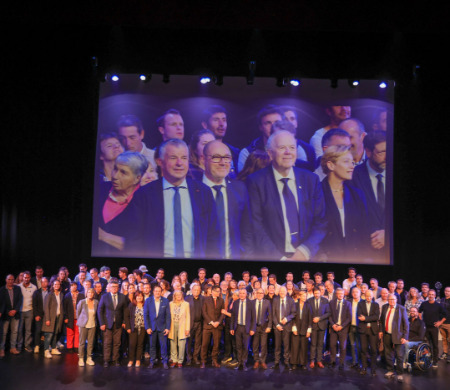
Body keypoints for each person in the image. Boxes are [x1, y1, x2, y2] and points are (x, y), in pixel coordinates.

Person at [129, 138, 220, 258]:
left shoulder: (203, 192)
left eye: (184, 158)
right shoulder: (144, 195)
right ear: (160, 162)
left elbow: (213, 236)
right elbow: (135, 240)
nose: (179, 163)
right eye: (173, 158)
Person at [247, 130, 327, 260]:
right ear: (270, 153)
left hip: (307, 256)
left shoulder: (311, 179)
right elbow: (256, 226)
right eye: (282, 148)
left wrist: (304, 251)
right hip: (273, 258)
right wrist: (280, 259)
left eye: (292, 147)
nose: (288, 152)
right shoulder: (256, 182)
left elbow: (321, 222)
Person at [201, 140, 254, 259]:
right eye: (216, 157)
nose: (222, 162)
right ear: (203, 159)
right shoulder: (194, 189)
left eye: (227, 157)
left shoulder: (240, 189)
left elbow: (247, 232)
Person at [318, 145, 371, 262]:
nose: (352, 166)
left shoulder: (357, 195)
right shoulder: (316, 194)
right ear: (331, 165)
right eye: (346, 162)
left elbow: (365, 231)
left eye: (352, 162)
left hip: (354, 260)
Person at [93, 151, 148, 255]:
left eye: (123, 172)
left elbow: (140, 245)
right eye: (115, 169)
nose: (115, 176)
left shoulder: (145, 202)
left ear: (137, 178)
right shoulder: (99, 189)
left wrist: (103, 236)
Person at [351, 131, 387, 256]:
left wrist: (388, 234)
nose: (387, 157)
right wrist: (374, 237)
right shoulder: (353, 177)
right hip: (364, 249)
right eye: (381, 152)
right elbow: (352, 217)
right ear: (368, 152)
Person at [238, 105, 283, 172]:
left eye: (277, 122)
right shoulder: (247, 153)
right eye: (268, 123)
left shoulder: (294, 149)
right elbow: (243, 179)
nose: (273, 127)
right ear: (261, 127)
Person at [201, 105, 240, 177]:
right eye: (216, 120)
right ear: (205, 125)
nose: (221, 124)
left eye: (224, 120)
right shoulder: (200, 150)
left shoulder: (234, 152)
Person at [379, 294, 409, 383]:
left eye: (393, 299)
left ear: (396, 300)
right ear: (387, 300)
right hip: (387, 334)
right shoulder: (384, 307)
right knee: (388, 354)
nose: (392, 301)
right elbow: (381, 321)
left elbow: (406, 324)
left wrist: (405, 337)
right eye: (390, 299)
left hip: (399, 336)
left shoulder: (401, 308)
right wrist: (381, 331)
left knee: (399, 355)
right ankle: (391, 370)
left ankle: (399, 373)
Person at [97, 280, 128, 367]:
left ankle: (115, 359)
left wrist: (124, 321)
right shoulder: (104, 296)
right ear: (109, 288)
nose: (114, 288)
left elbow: (125, 310)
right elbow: (100, 310)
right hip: (107, 324)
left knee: (117, 342)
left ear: (118, 288)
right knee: (107, 342)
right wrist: (102, 323)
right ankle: (106, 360)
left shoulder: (122, 297)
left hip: (118, 324)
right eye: (112, 287)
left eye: (116, 287)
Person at [280, 107, 316, 172]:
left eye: (292, 119)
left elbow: (313, 170)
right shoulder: (274, 146)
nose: (289, 122)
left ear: (296, 123)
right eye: (285, 119)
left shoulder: (307, 148)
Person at [144, 285, 171, 369]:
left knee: (163, 345)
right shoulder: (148, 301)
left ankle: (165, 361)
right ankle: (152, 361)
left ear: (161, 292)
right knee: (152, 345)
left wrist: (167, 328)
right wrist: (147, 327)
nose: (157, 293)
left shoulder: (165, 301)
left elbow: (168, 315)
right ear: (153, 292)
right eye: (156, 291)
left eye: (159, 291)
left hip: (162, 327)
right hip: (152, 327)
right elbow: (146, 315)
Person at [419, 289, 446, 368]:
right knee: (426, 343)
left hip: (433, 328)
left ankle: (435, 361)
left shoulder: (438, 305)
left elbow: (445, 315)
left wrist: (440, 322)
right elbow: (419, 311)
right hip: (425, 327)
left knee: (435, 344)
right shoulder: (424, 304)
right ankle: (427, 358)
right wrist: (421, 320)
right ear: (428, 295)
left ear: (434, 296)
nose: (430, 296)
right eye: (429, 294)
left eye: (432, 294)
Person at [230, 289, 255, 371]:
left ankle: (244, 363)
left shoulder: (250, 303)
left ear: (246, 294)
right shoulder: (236, 303)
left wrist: (252, 328)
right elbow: (233, 316)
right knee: (238, 346)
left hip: (246, 328)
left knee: (245, 346)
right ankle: (239, 363)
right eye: (240, 293)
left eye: (243, 293)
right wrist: (231, 327)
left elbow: (253, 318)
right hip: (237, 327)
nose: (241, 294)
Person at [272, 286, 296, 370]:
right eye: (280, 291)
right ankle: (276, 362)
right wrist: (277, 324)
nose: (282, 293)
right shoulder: (275, 300)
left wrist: (287, 319)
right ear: (279, 292)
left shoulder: (291, 300)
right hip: (277, 326)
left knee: (286, 345)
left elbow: (293, 313)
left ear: (286, 292)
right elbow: (273, 314)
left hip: (287, 326)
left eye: (283, 291)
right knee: (277, 345)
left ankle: (286, 362)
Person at [200, 285, 225, 368]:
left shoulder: (221, 300)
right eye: (217, 291)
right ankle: (203, 360)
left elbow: (223, 313)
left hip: (217, 326)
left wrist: (218, 322)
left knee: (216, 345)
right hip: (208, 325)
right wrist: (211, 322)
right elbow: (204, 312)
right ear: (213, 291)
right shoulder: (205, 299)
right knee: (204, 344)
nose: (219, 293)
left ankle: (214, 360)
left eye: (219, 291)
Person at [357, 289, 380, 376]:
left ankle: (373, 368)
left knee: (373, 350)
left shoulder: (376, 305)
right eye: (367, 296)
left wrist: (366, 318)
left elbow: (376, 317)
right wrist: (370, 317)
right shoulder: (360, 304)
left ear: (372, 296)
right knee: (363, 349)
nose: (368, 297)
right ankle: (364, 367)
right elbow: (359, 315)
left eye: (370, 296)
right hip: (363, 329)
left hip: (373, 330)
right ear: (364, 296)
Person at [328, 287, 352, 370]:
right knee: (332, 345)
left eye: (342, 294)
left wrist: (341, 326)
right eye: (339, 294)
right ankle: (332, 361)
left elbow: (349, 317)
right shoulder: (331, 303)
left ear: (344, 295)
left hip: (343, 328)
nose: (340, 295)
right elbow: (329, 315)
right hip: (334, 327)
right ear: (336, 294)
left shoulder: (348, 303)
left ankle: (341, 363)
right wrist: (333, 325)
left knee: (342, 346)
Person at [0, 274, 23, 357]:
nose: (10, 281)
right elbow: (1, 303)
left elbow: (20, 300)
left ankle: (13, 348)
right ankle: (1, 349)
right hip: (5, 315)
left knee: (14, 332)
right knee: (4, 332)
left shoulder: (17, 288)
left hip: (15, 314)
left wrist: (15, 310)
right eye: (9, 279)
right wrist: (7, 312)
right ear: (6, 280)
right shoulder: (2, 290)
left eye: (12, 279)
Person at [42, 280, 64, 359]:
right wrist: (47, 319)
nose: (57, 285)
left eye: (58, 284)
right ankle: (46, 350)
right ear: (53, 285)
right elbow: (46, 307)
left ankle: (54, 348)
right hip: (50, 318)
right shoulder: (49, 294)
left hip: (58, 317)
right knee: (49, 334)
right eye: (55, 284)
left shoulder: (61, 294)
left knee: (55, 333)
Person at [308, 287, 330, 368]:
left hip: (322, 325)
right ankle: (312, 360)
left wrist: (319, 318)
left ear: (321, 293)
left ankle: (319, 360)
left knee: (320, 344)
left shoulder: (325, 300)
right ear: (313, 293)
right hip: (313, 325)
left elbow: (328, 313)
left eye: (318, 293)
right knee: (313, 344)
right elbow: (308, 313)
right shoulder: (309, 301)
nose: (317, 295)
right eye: (315, 293)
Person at [168, 290, 190, 367]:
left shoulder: (186, 304)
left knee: (182, 344)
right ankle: (174, 360)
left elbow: (188, 317)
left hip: (182, 326)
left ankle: (180, 360)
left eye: (179, 295)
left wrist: (187, 329)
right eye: (176, 295)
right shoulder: (170, 304)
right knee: (173, 342)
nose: (178, 296)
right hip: (172, 325)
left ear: (182, 295)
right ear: (174, 296)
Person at [252, 288, 272, 369]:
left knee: (263, 345)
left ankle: (263, 361)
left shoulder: (267, 302)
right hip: (254, 327)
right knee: (255, 345)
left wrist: (269, 326)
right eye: (258, 293)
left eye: (261, 293)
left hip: (264, 327)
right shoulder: (252, 302)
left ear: (263, 294)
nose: (260, 294)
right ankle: (256, 360)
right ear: (256, 294)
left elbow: (270, 315)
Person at [290, 290, 311, 370]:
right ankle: (294, 363)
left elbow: (310, 318)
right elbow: (292, 317)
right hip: (296, 329)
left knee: (303, 347)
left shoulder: (308, 306)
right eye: (303, 296)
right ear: (299, 296)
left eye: (305, 296)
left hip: (305, 330)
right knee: (295, 347)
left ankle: (303, 363)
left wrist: (309, 330)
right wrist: (294, 327)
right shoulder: (294, 305)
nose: (304, 297)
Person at [77, 288, 98, 366]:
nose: (90, 294)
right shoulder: (82, 302)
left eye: (92, 293)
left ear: (93, 294)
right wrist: (80, 322)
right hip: (83, 325)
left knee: (90, 343)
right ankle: (81, 358)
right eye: (89, 292)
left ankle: (89, 358)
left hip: (92, 325)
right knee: (82, 343)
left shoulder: (96, 302)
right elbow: (78, 313)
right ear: (86, 293)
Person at [124, 290, 146, 367]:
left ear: (143, 297)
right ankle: (131, 360)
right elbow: (126, 316)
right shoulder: (131, 305)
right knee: (132, 344)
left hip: (143, 328)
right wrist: (128, 327)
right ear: (135, 297)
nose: (139, 297)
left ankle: (138, 360)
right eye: (138, 296)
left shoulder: (145, 305)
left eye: (141, 296)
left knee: (140, 344)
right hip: (133, 328)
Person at [17, 271, 37, 353]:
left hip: (29, 310)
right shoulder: (18, 287)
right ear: (23, 278)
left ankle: (27, 345)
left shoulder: (34, 287)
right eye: (25, 277)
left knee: (28, 330)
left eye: (28, 277)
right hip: (20, 311)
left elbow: (35, 300)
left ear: (30, 278)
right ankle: (19, 346)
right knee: (20, 329)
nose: (26, 279)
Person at [185, 284, 204, 365]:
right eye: (195, 290)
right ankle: (189, 358)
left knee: (198, 342)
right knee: (188, 342)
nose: (196, 291)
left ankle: (195, 357)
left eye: (198, 290)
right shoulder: (187, 299)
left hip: (199, 323)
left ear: (200, 291)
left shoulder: (203, 299)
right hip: (189, 323)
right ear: (192, 290)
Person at [63, 282, 85, 352]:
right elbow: (64, 308)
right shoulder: (67, 296)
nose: (74, 287)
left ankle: (76, 347)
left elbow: (84, 307)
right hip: (70, 317)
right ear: (70, 287)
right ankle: (69, 347)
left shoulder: (81, 295)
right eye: (72, 286)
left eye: (75, 286)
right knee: (70, 332)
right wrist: (65, 317)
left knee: (77, 332)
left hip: (78, 318)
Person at [31, 277, 49, 353]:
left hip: (48, 315)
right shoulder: (37, 292)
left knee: (47, 332)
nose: (44, 283)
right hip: (39, 315)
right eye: (43, 282)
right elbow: (34, 305)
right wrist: (36, 315)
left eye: (45, 282)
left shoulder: (50, 292)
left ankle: (47, 346)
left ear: (48, 282)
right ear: (41, 283)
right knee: (38, 330)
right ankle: (37, 346)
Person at [440, 286, 450, 361]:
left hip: (449, 323)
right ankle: (445, 353)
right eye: (446, 291)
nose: (447, 292)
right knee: (444, 339)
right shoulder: (442, 300)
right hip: (442, 322)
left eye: (448, 291)